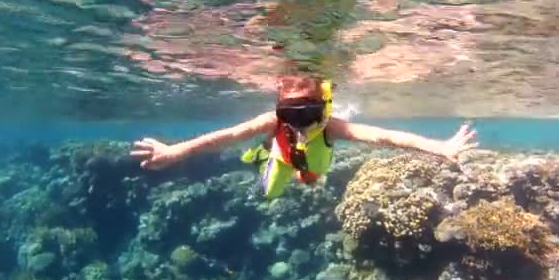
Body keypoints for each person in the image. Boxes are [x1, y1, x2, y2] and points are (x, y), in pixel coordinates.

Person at [130, 75, 478, 198]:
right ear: (279, 110)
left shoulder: (332, 126)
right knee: (270, 191)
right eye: (290, 115)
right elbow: (227, 135)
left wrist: (440, 147)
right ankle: (265, 154)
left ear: (323, 109)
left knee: (311, 178)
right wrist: (175, 152)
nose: (301, 124)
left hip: (314, 164)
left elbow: (385, 137)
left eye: (309, 114)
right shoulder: (272, 121)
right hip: (281, 160)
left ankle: (294, 166)